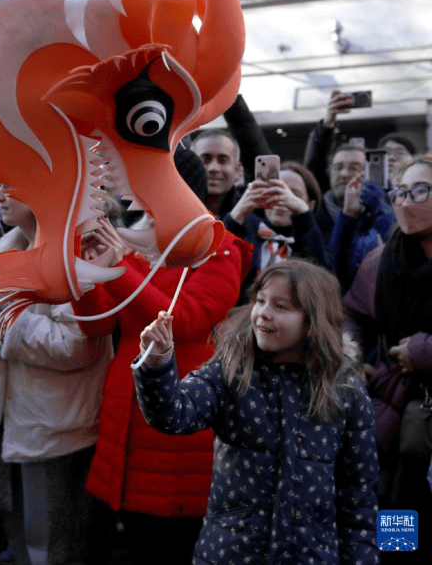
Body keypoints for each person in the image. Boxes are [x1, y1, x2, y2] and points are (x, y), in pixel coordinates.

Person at [134, 259, 380, 565]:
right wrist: (157, 365)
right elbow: (172, 414)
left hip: (311, 556)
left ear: (313, 322)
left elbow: (360, 498)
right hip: (231, 553)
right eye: (260, 301)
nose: (263, 313)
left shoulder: (346, 392)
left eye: (281, 306)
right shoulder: (231, 372)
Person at [72, 216, 251, 565]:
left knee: (169, 545)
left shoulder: (220, 247)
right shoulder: (139, 246)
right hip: (123, 421)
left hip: (179, 427)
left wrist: (120, 265)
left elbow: (182, 320)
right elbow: (99, 323)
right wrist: (88, 271)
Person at [0, 185, 112, 565]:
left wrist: (1, 313)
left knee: (52, 548)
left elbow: (78, 346)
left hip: (56, 427)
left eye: (7, 183)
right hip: (11, 416)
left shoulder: (79, 252)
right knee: (21, 541)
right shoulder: (8, 246)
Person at [344, 153, 432, 563]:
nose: (406, 201)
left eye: (421, 190)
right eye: (400, 191)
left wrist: (424, 352)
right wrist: (354, 358)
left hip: (422, 406)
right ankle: (400, 556)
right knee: (396, 501)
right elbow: (352, 315)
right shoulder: (381, 263)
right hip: (392, 408)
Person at [223, 160, 333, 296]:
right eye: (274, 191)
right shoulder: (244, 236)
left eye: (293, 195)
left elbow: (323, 283)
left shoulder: (320, 240)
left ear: (310, 205)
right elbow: (214, 271)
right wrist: (236, 215)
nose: (282, 198)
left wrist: (304, 217)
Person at [317, 143, 395, 293]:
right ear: (330, 172)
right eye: (338, 167)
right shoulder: (314, 214)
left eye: (354, 168)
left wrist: (382, 210)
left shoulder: (387, 207)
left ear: (369, 172)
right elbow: (330, 274)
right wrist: (348, 217)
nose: (345, 174)